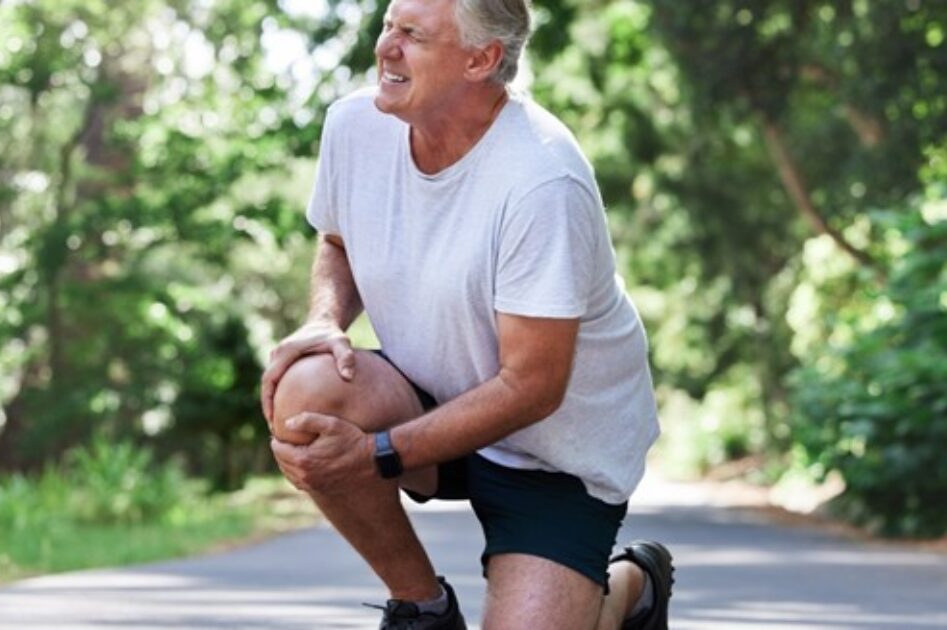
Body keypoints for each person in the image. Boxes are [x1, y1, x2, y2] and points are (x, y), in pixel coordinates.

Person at [260, 1, 673, 628]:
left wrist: (378, 452)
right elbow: (339, 239)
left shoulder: (542, 180)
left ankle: (625, 590)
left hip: (554, 453)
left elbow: (532, 386)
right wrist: (325, 318)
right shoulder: (355, 125)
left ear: (481, 59)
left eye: (413, 35)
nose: (386, 48)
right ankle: (422, 608)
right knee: (308, 389)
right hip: (429, 401)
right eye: (389, 25)